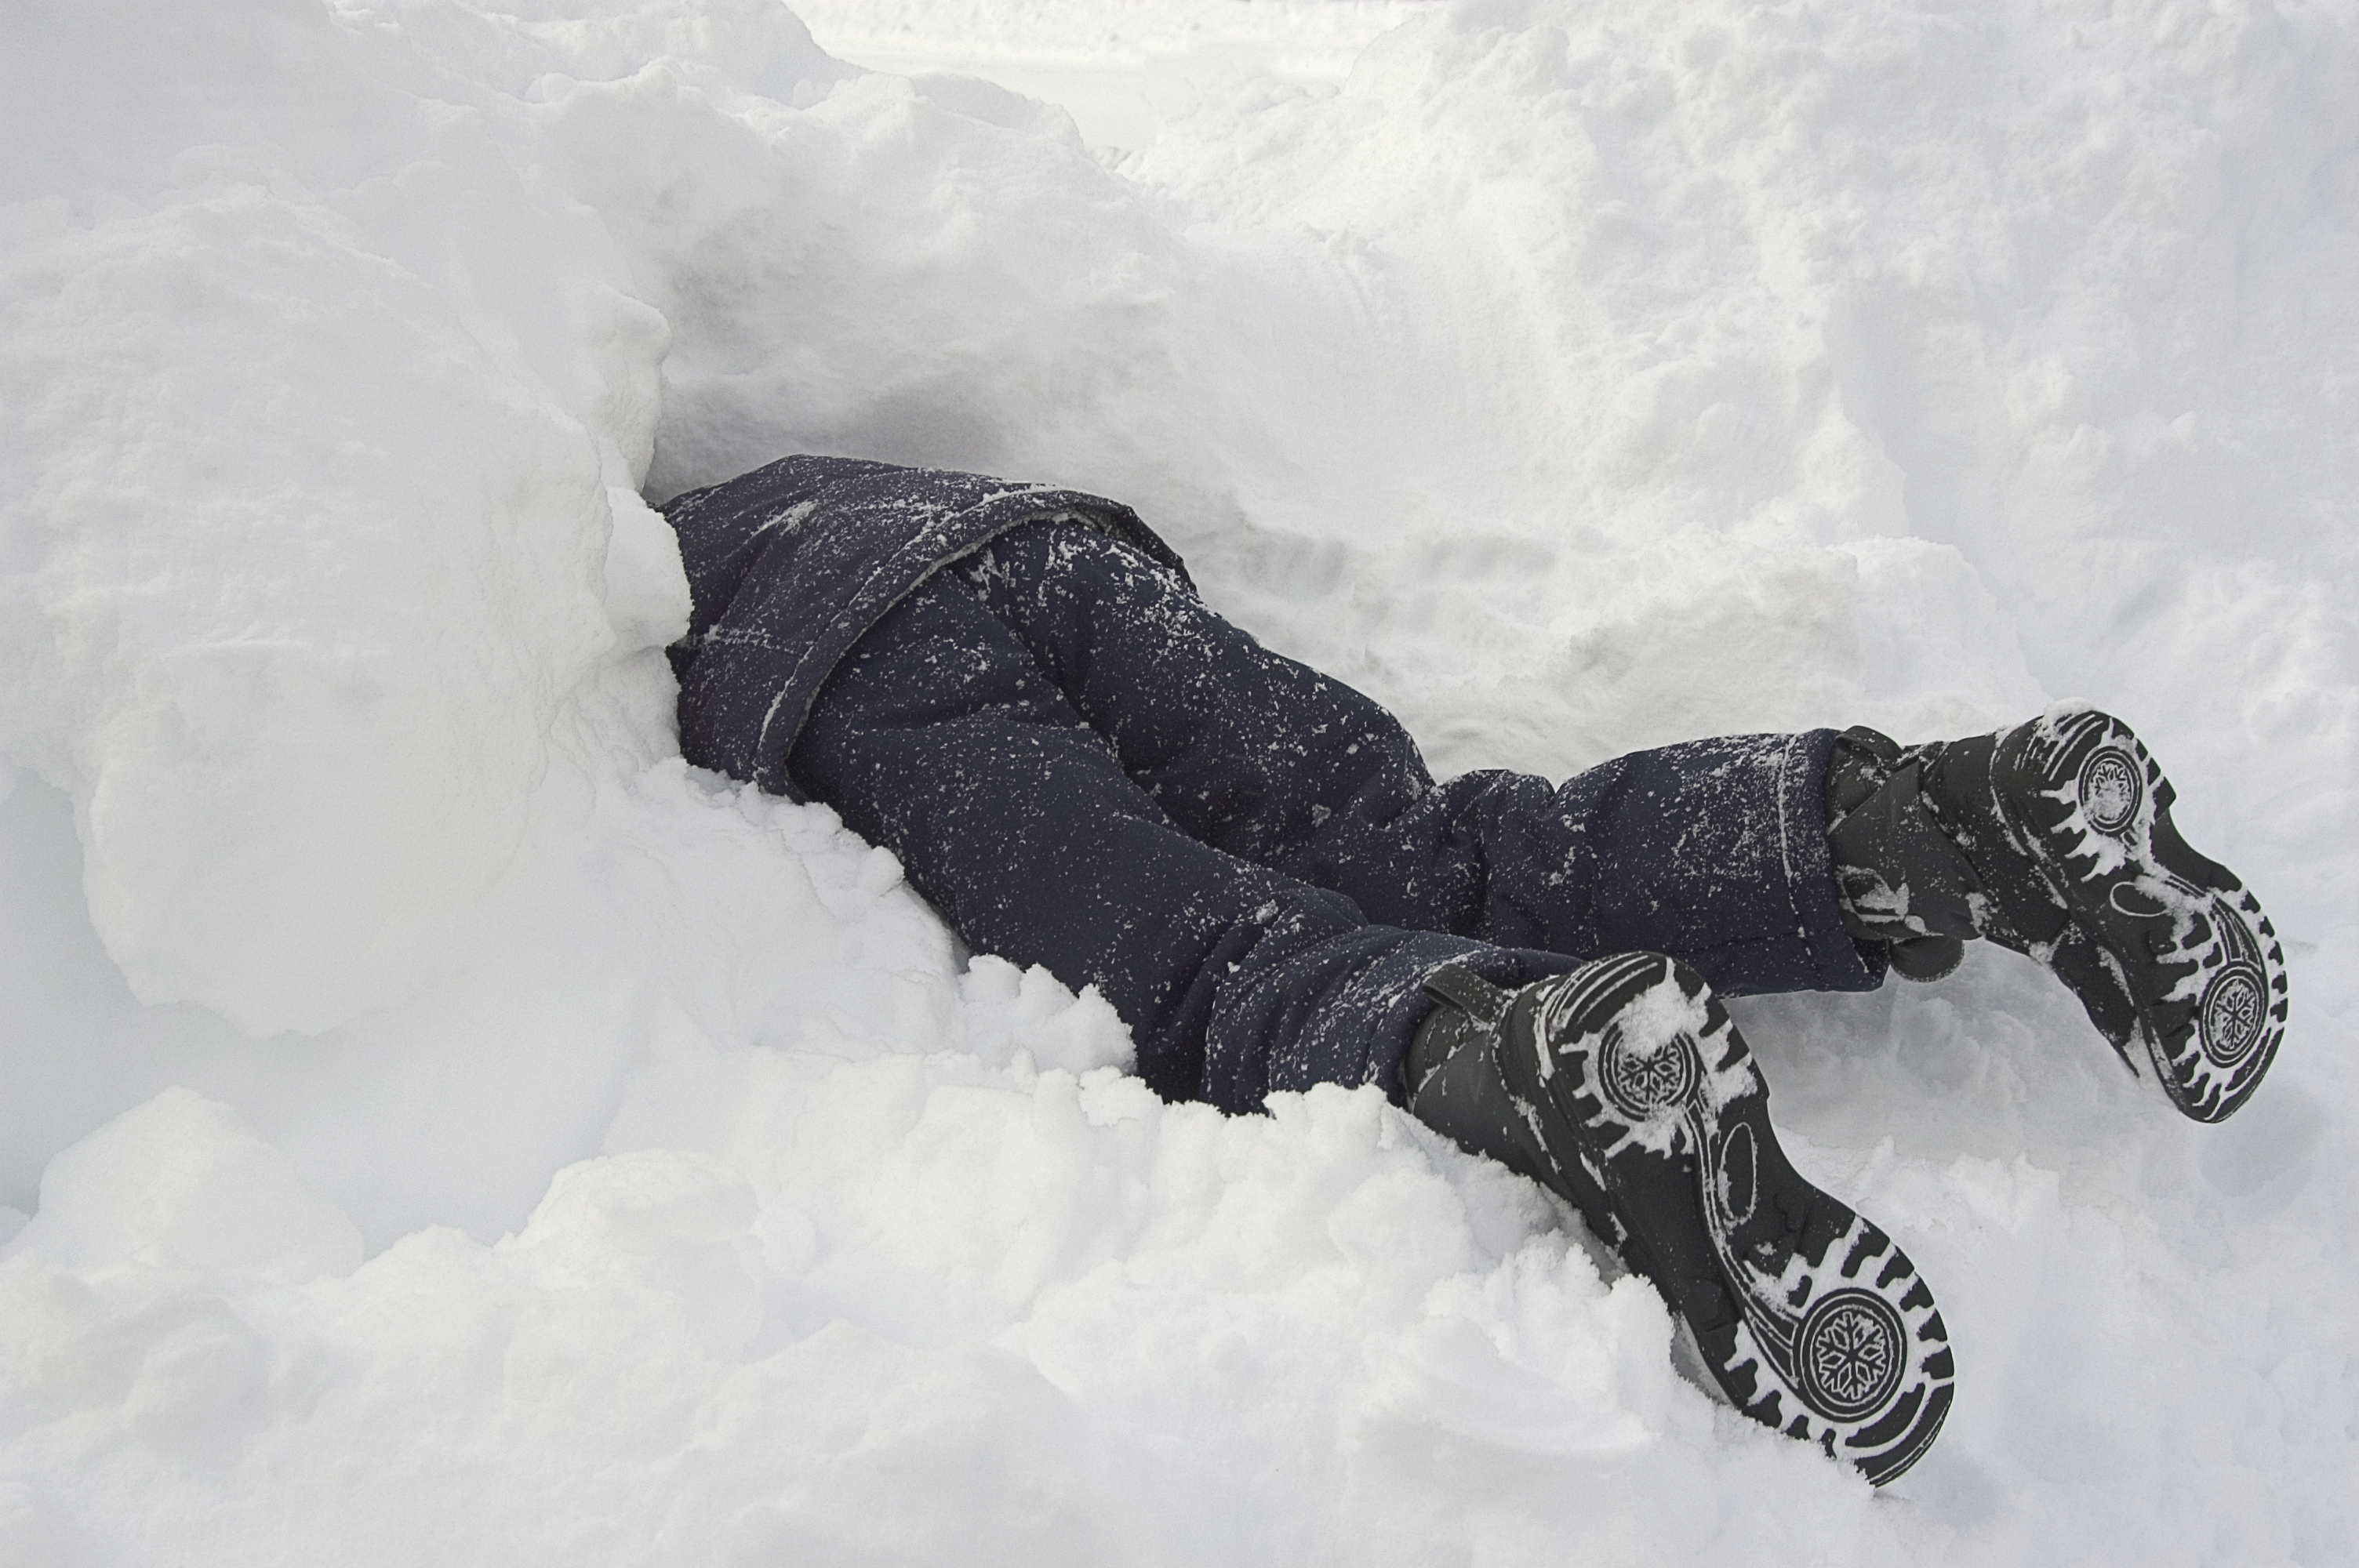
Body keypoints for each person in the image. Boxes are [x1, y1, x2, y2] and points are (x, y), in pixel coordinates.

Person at [658, 453, 2288, 1485]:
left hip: (849, 665)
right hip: (1040, 547)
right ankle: (1938, 820)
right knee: (1446, 845)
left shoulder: (607, 575)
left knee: (1208, 969)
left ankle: (1525, 1049)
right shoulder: (765, 459)